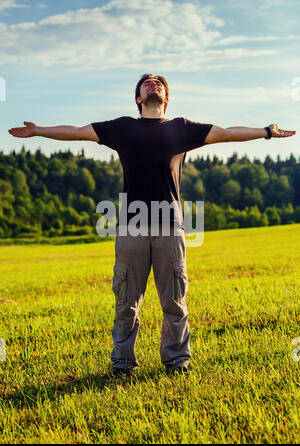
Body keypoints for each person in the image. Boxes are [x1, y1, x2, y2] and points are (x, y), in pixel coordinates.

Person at [9, 73, 296, 378]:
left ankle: (177, 361)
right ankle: (122, 363)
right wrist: (39, 130)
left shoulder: (180, 128)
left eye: (159, 83)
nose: (153, 83)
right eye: (146, 82)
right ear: (138, 98)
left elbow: (225, 133)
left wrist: (266, 132)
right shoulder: (124, 128)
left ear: (166, 98)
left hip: (170, 228)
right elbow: (78, 132)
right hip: (131, 229)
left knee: (174, 300)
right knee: (126, 302)